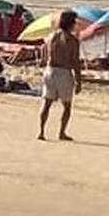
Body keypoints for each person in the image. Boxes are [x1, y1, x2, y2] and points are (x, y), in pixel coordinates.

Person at [38, 9, 82, 142]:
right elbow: (75, 61)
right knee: (67, 106)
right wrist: (78, 80)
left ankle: (41, 131)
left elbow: (43, 50)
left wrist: (43, 61)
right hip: (64, 72)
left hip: (50, 70)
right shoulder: (72, 40)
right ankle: (62, 132)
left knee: (46, 103)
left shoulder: (51, 36)